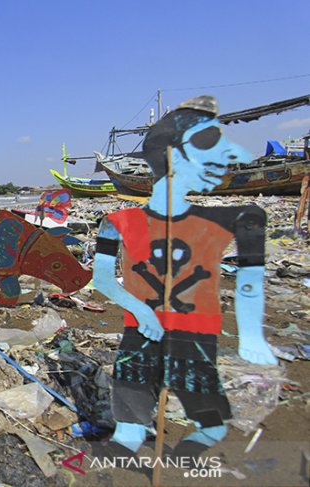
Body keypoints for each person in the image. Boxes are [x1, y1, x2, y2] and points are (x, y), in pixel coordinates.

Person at [93, 96, 277, 459]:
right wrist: (141, 311)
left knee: (201, 399)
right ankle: (130, 432)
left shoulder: (237, 219)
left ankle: (208, 429)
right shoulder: (116, 223)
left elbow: (250, 278)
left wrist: (252, 335)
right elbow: (102, 281)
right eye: (210, 143)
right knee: (131, 391)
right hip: (141, 327)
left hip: (197, 329)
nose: (232, 154)